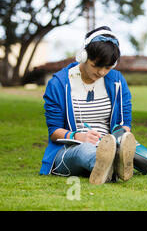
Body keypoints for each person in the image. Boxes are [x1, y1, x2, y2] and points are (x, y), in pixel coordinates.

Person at [39, 26, 135, 185]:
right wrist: (79, 136)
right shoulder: (58, 84)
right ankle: (110, 165)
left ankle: (111, 162)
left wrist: (116, 139)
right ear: (83, 56)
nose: (102, 72)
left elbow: (124, 124)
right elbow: (54, 131)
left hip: (110, 143)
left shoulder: (117, 81)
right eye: (96, 65)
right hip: (69, 151)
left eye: (108, 67)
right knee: (85, 151)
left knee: (126, 144)